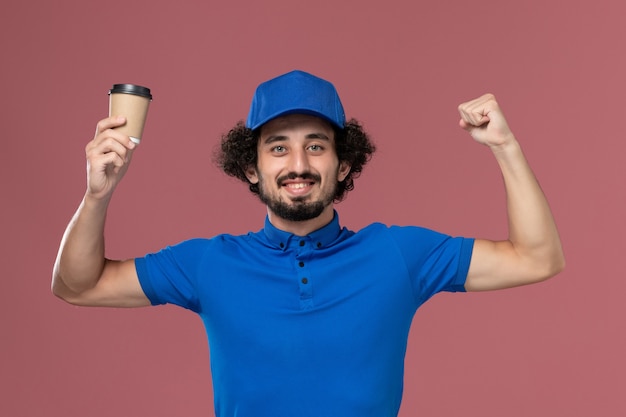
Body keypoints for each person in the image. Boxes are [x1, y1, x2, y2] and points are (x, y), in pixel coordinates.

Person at [52, 70, 565, 416]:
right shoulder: (210, 263)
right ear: (251, 168)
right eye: (278, 148)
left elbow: (537, 258)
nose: (297, 165)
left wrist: (506, 147)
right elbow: (78, 286)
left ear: (342, 165)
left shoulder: (397, 255)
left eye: (315, 146)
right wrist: (100, 194)